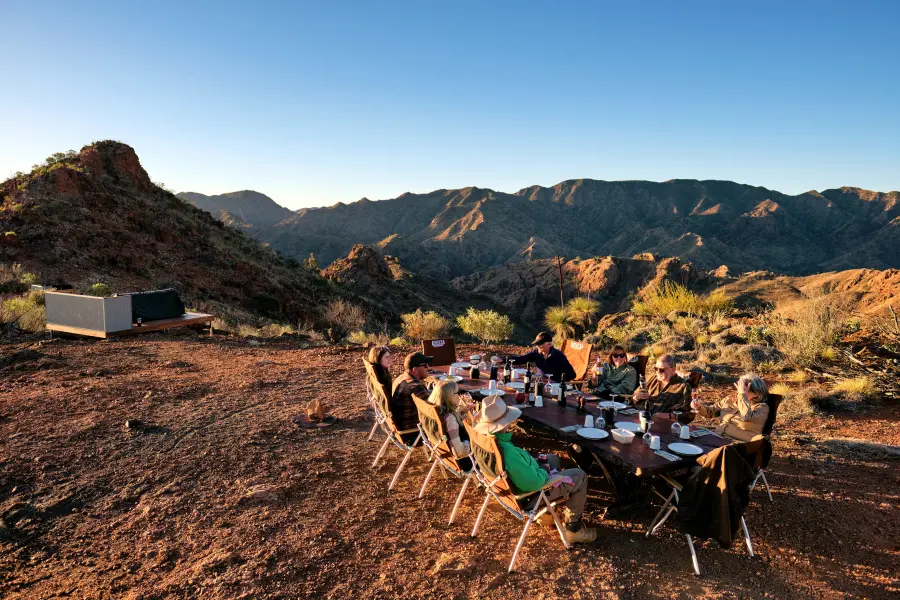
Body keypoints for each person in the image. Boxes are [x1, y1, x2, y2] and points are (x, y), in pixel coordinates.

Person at [474, 395, 597, 544]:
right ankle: (573, 528)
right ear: (505, 422)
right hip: (529, 495)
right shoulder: (507, 452)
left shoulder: (489, 442)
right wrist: (544, 470)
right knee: (579, 476)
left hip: (510, 487)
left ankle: (546, 516)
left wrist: (540, 465)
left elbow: (521, 470)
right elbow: (534, 482)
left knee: (552, 458)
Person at [692, 374, 770, 442]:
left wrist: (743, 395)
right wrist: (699, 407)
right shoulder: (730, 399)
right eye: (739, 387)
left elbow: (746, 416)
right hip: (717, 437)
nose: (738, 392)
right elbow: (711, 411)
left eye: (744, 389)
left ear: (756, 394)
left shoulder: (762, 408)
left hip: (736, 444)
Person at [427, 380, 474, 471]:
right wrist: (474, 442)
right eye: (457, 393)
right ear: (450, 397)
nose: (459, 396)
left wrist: (460, 413)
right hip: (465, 461)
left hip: (444, 453)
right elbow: (460, 452)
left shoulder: (437, 411)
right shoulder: (450, 419)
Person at [634, 354, 693, 420]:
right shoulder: (653, 378)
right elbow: (632, 397)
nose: (658, 372)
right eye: (656, 369)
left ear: (673, 370)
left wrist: (669, 416)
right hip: (637, 415)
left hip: (660, 423)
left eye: (662, 370)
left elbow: (689, 414)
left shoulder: (683, 387)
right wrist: (636, 398)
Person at [391, 352, 433, 444]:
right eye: (425, 365)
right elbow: (435, 410)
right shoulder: (415, 387)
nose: (429, 368)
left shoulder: (400, 378)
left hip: (402, 429)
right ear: (415, 369)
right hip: (414, 435)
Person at [507, 331, 576, 383]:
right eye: (537, 344)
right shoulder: (536, 352)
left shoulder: (559, 356)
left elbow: (572, 375)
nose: (538, 346)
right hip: (540, 382)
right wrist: (503, 360)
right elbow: (522, 359)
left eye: (540, 344)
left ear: (549, 344)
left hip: (554, 385)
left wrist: (552, 380)